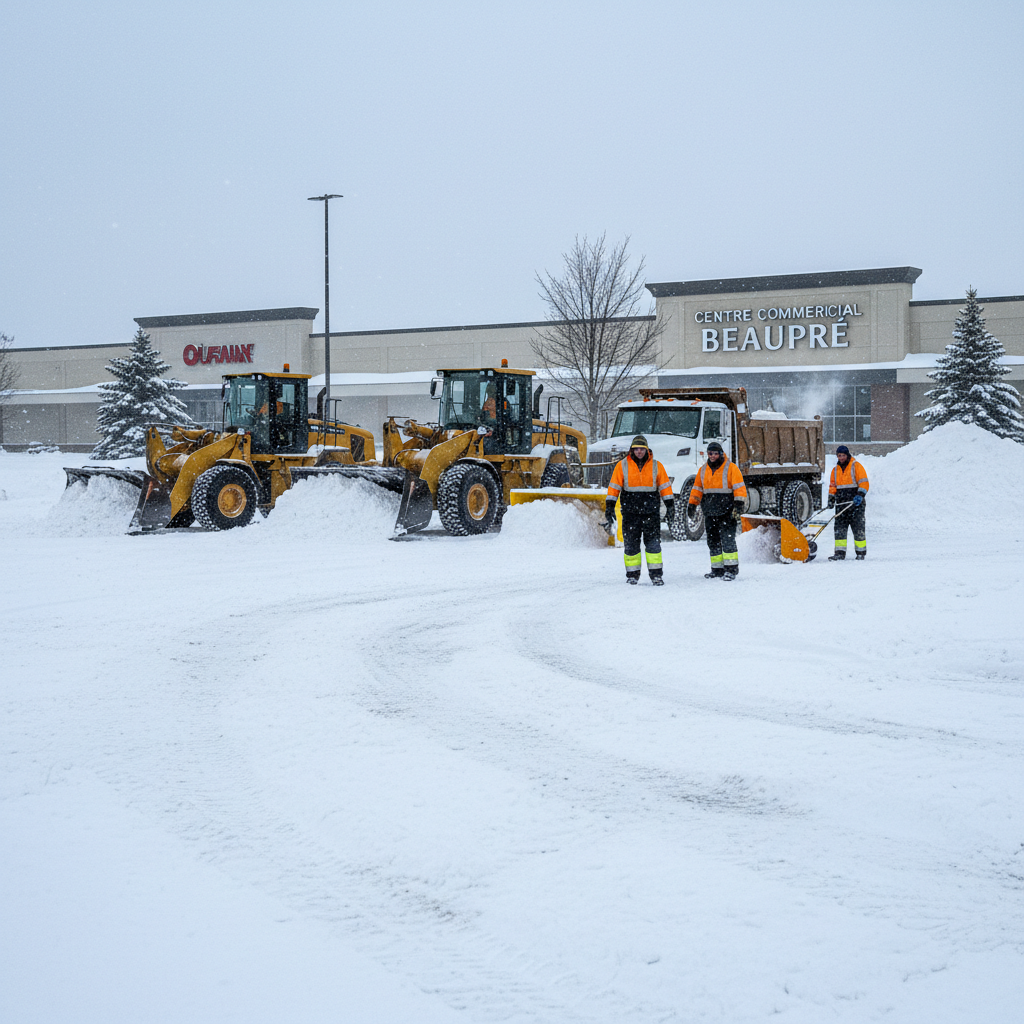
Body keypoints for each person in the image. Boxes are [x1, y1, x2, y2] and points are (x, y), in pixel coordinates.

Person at [605, 435, 674, 586]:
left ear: (647, 450)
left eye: (642, 449)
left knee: (653, 545)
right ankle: (632, 575)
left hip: (651, 512)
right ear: (632, 450)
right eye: (636, 449)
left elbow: (665, 487)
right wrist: (609, 506)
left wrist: (670, 506)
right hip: (630, 513)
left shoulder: (657, 466)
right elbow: (614, 487)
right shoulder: (622, 466)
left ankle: (656, 575)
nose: (639, 452)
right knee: (631, 545)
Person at [688, 441, 747, 580]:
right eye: (710, 453)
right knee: (713, 541)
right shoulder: (703, 470)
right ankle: (717, 569)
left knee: (727, 540)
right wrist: (692, 504)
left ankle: (731, 570)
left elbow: (739, 488)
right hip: (709, 511)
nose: (712, 456)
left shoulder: (731, 468)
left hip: (727, 511)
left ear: (720, 454)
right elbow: (697, 489)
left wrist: (738, 505)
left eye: (715, 453)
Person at [827, 444, 869, 560]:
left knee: (858, 528)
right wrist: (831, 498)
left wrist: (860, 495)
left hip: (855, 503)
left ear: (847, 455)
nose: (841, 458)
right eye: (839, 455)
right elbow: (832, 486)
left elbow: (864, 482)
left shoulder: (856, 466)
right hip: (841, 504)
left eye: (843, 455)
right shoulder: (835, 470)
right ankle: (839, 553)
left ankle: (860, 553)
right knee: (840, 528)